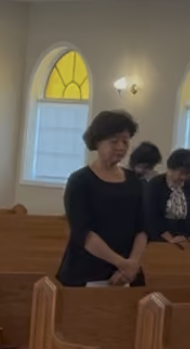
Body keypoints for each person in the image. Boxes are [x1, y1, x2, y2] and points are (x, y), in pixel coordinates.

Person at [56, 111, 148, 288]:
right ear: (97, 142)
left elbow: (142, 229)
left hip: (128, 274)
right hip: (86, 270)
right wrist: (121, 263)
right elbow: (84, 233)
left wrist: (132, 265)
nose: (120, 147)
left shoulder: (135, 181)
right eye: (114, 141)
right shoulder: (80, 181)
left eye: (125, 141)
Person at [144, 148, 190, 247]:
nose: (184, 177)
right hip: (157, 240)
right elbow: (151, 217)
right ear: (171, 168)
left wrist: (184, 236)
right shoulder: (155, 184)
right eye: (182, 172)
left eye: (189, 173)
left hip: (183, 240)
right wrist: (170, 238)